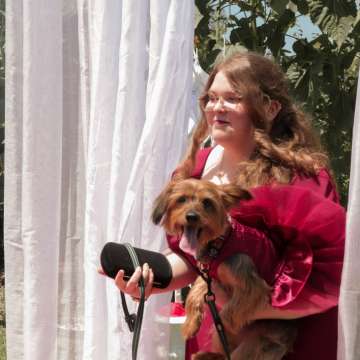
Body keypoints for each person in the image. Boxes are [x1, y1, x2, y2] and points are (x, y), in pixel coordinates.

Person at [99, 51, 345, 359]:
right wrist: (152, 281)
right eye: (211, 98)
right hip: (215, 332)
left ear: (269, 108)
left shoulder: (303, 179)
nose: (217, 108)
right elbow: (195, 259)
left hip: (287, 340)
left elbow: (325, 283)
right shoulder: (196, 170)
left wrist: (238, 311)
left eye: (232, 98)